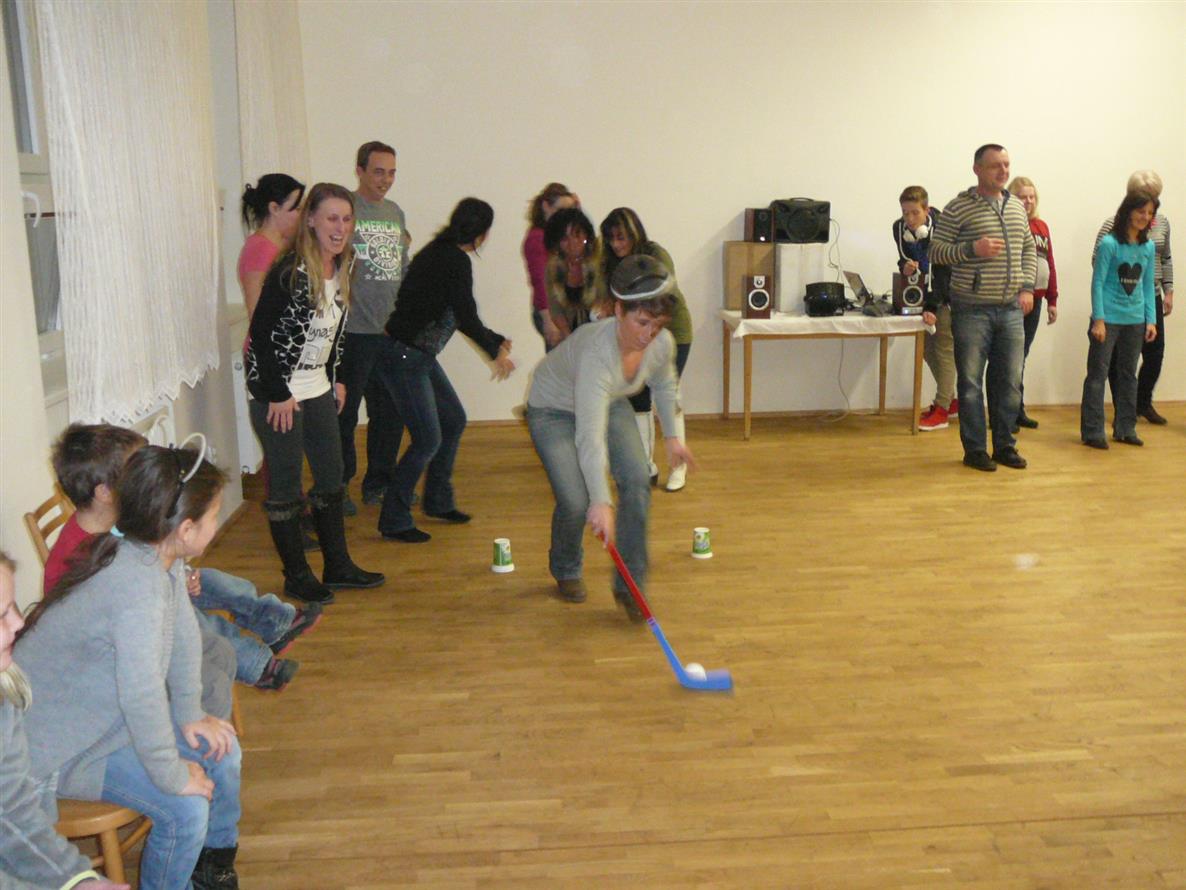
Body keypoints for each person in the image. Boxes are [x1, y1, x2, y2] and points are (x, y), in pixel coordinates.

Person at [15, 446, 244, 890]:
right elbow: (141, 696)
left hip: (106, 725)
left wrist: (191, 714)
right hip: (63, 752)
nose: (216, 524)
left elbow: (183, 638)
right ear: (186, 529)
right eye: (214, 515)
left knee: (223, 748)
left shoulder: (156, 556)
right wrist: (172, 775)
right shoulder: (135, 586)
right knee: (185, 810)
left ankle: (213, 866)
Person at [45, 423, 319, 693]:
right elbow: (129, 610)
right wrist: (175, 585)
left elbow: (151, 559)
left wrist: (182, 574)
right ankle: (259, 666)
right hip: (117, 646)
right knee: (193, 621)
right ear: (104, 493)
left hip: (145, 600)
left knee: (213, 582)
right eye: (136, 473)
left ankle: (275, 622)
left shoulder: (118, 521)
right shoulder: (85, 556)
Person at [526, 254, 694, 613]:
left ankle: (630, 584)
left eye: (657, 325)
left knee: (637, 479)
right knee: (577, 501)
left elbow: (665, 384)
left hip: (610, 399)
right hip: (553, 409)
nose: (649, 334)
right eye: (642, 322)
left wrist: (672, 438)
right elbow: (590, 436)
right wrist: (600, 501)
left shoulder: (660, 342)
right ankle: (566, 567)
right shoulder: (597, 353)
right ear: (619, 311)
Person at [246, 183, 386, 603]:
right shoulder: (290, 271)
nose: (340, 228)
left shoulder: (344, 265)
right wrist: (277, 393)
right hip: (279, 393)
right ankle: (297, 575)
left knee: (331, 477)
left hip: (318, 387)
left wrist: (335, 376)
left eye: (346, 219)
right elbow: (261, 337)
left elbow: (332, 330)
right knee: (286, 487)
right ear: (311, 221)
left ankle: (338, 566)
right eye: (331, 218)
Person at [376, 198, 516, 542]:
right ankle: (394, 519)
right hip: (405, 356)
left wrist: (495, 340)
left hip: (415, 355)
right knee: (427, 439)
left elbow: (458, 313)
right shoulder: (452, 259)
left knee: (452, 419)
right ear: (482, 234)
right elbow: (465, 315)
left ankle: (437, 500)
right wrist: (494, 350)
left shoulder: (440, 253)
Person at [1, 552, 130, 890]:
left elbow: (11, 810)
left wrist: (77, 878)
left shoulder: (6, 693)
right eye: (1, 615)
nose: (18, 623)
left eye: (13, 607)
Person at [928, 144, 1036, 472]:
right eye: (995, 166)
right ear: (977, 169)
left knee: (1009, 383)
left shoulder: (1016, 207)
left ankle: (1004, 446)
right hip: (971, 310)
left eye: (1006, 165)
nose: (1003, 171)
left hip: (1011, 310)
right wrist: (972, 249)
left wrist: (1027, 287)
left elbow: (1028, 248)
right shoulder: (958, 207)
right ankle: (975, 450)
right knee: (971, 384)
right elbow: (936, 251)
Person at [599, 207, 694, 490]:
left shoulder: (655, 254)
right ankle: (645, 466)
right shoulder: (611, 262)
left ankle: (678, 467)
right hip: (638, 337)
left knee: (669, 396)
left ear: (634, 233)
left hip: (672, 333)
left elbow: (667, 298)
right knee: (637, 398)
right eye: (611, 239)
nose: (616, 244)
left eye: (621, 237)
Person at [338, 141, 409, 515]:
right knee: (345, 414)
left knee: (390, 412)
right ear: (360, 170)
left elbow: (402, 265)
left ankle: (379, 483)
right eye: (379, 171)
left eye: (392, 172)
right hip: (353, 332)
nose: (386, 179)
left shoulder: (395, 212)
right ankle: (338, 488)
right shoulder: (346, 210)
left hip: (389, 332)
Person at [1094, 170, 1174, 425]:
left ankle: (1142, 403)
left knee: (1155, 353)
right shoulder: (1112, 226)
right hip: (1119, 301)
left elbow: (1166, 257)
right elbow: (1098, 263)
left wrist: (1169, 289)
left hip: (1150, 296)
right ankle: (1123, 410)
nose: (1148, 210)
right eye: (1145, 196)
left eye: (1154, 196)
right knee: (1116, 362)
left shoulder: (1162, 224)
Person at [1081, 191, 1159, 449]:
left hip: (1135, 320)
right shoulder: (1109, 243)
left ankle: (1126, 428)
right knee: (1098, 374)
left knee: (1128, 375)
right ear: (1128, 211)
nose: (1145, 217)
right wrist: (1099, 319)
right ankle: (1093, 431)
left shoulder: (1148, 247)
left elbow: (1147, 285)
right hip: (1108, 319)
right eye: (1141, 211)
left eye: (1149, 213)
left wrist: (1151, 320)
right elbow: (1097, 283)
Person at [892, 186, 954, 431]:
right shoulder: (898, 228)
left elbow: (943, 272)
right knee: (927, 350)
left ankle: (942, 409)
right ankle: (951, 400)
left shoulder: (942, 230)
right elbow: (902, 258)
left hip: (944, 296)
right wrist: (905, 266)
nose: (909, 219)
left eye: (915, 213)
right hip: (921, 297)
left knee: (944, 350)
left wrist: (932, 307)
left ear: (927, 210)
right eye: (905, 213)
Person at [1007, 176, 1058, 431]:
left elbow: (1049, 262)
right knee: (1009, 357)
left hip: (1036, 299)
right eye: (1022, 197)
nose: (1028, 201)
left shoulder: (1041, 226)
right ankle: (1004, 412)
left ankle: (1017, 409)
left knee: (1021, 356)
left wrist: (1052, 299)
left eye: (1031, 196)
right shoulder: (1010, 225)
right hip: (1014, 299)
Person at [238, 173, 305, 320]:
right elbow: (256, 312)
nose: (302, 215)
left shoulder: (286, 243)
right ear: (274, 208)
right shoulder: (259, 249)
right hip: (272, 334)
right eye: (298, 209)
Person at [524, 183, 578, 350]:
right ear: (546, 206)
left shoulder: (557, 235)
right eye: (560, 210)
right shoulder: (537, 239)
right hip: (551, 311)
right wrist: (548, 319)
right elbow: (540, 281)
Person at [544, 207, 606, 342]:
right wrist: (569, 338)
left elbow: (607, 300)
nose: (572, 243)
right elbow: (555, 309)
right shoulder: (552, 268)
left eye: (577, 235)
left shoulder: (600, 260)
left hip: (603, 330)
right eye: (564, 238)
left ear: (587, 235)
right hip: (571, 335)